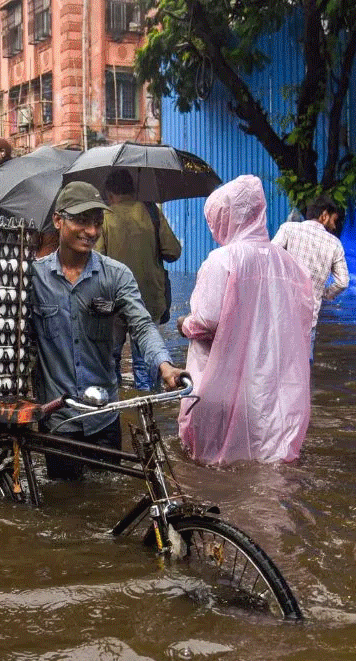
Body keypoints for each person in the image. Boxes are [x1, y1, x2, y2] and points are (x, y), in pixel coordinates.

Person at [24, 181, 185, 479]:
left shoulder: (116, 275)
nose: (92, 231)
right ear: (59, 220)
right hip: (59, 419)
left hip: (103, 416)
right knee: (65, 507)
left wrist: (165, 366)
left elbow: (141, 324)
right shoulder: (33, 278)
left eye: (97, 222)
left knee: (106, 502)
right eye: (81, 221)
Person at [176, 175, 313, 464]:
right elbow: (304, 316)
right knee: (269, 453)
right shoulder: (288, 263)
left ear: (226, 218)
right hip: (273, 376)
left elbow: (206, 322)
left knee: (216, 459)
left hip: (225, 377)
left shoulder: (222, 259)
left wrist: (184, 323)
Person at [95, 169, 182, 390]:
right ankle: (147, 411)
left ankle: (113, 410)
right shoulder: (151, 211)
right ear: (132, 190)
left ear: (109, 193)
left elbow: (96, 261)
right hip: (149, 299)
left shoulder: (104, 216)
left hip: (112, 302)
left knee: (111, 361)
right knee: (146, 361)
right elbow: (173, 251)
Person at [272, 196, 349, 360]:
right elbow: (343, 282)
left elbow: (269, 258)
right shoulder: (335, 244)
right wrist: (324, 293)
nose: (334, 226)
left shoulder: (288, 229)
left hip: (280, 312)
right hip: (308, 318)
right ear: (324, 215)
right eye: (333, 221)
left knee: (276, 365)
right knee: (303, 370)